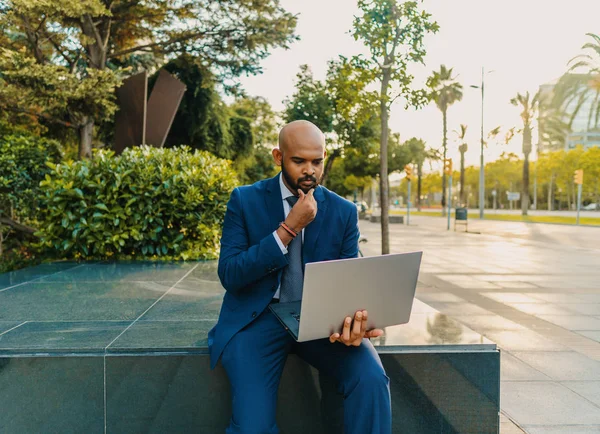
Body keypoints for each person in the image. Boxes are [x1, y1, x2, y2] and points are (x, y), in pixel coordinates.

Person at [208, 120, 391, 434]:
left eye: (317, 161)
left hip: (321, 320)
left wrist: (358, 319)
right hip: (259, 316)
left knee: (372, 380)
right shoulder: (245, 200)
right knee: (251, 426)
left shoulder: (343, 211)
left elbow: (348, 277)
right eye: (299, 161)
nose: (310, 170)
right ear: (279, 157)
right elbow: (231, 273)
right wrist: (287, 230)